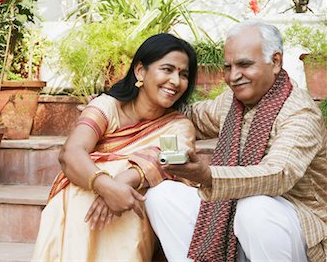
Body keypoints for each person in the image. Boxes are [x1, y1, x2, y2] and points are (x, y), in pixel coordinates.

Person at [145, 20, 327, 262]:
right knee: (163, 196)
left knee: (255, 208)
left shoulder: (300, 113)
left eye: (244, 65)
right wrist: (129, 103)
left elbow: (278, 174)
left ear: (275, 62)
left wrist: (208, 176)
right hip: (231, 220)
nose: (233, 76)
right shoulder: (231, 103)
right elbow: (191, 116)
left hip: (294, 230)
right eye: (228, 67)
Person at [32, 33, 198, 261]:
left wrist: (119, 185)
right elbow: (71, 152)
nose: (176, 81)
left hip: (130, 208)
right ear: (140, 71)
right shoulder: (108, 106)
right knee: (80, 193)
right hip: (85, 194)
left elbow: (164, 161)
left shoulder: (179, 126)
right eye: (167, 69)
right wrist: (105, 186)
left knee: (132, 200)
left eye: (183, 74)